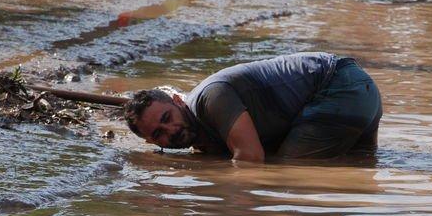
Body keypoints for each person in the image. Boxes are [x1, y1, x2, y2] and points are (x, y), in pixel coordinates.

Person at [123, 52, 382, 163]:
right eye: (158, 133)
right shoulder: (202, 129)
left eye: (167, 117)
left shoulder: (211, 97)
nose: (171, 130)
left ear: (178, 101)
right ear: (150, 142)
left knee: (290, 175)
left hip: (338, 86)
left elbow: (250, 160)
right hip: (362, 91)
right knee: (359, 165)